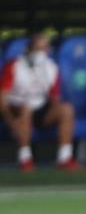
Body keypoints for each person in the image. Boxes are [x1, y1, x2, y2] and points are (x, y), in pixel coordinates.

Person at [0, 32, 79, 172]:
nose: (41, 53)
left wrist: (56, 110)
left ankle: (65, 158)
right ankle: (25, 158)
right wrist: (11, 121)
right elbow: (2, 97)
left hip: (41, 109)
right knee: (26, 108)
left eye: (44, 48)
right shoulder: (14, 65)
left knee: (67, 109)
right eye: (38, 48)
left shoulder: (51, 67)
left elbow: (55, 98)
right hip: (18, 108)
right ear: (29, 49)